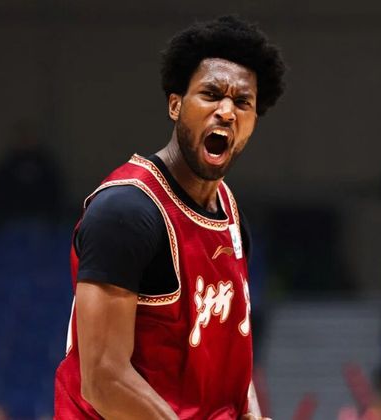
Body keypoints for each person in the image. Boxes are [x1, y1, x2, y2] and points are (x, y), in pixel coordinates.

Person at [54, 15, 286, 419]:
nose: (226, 111)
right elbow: (103, 379)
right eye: (211, 94)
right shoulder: (126, 211)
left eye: (242, 102)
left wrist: (249, 412)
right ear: (175, 105)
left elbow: (230, 357)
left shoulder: (230, 213)